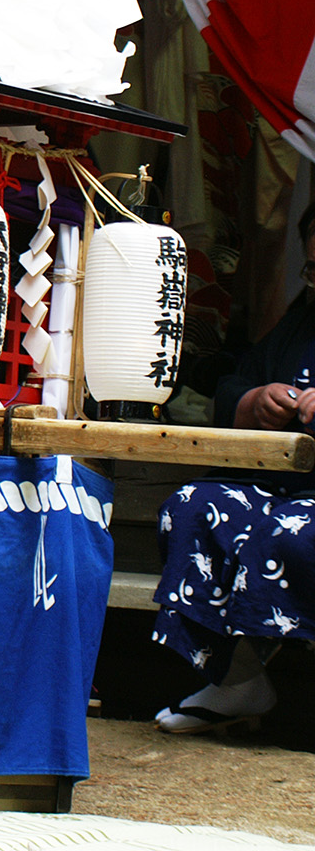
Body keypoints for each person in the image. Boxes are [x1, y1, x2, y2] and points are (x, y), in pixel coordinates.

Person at [152, 201, 315, 733]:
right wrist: (254, 401)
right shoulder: (305, 316)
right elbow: (238, 379)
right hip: (279, 483)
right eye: (314, 270)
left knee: (291, 535)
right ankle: (238, 677)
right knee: (195, 505)